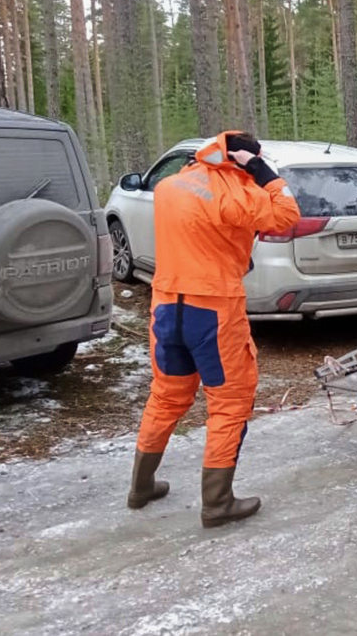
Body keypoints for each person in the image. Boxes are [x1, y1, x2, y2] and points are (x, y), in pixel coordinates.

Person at [126, 131, 301, 528]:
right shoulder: (239, 194)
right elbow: (288, 214)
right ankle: (218, 503)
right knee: (230, 402)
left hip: (167, 304)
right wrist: (263, 173)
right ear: (243, 160)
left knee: (166, 396)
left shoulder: (172, 186)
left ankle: (140, 486)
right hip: (214, 309)